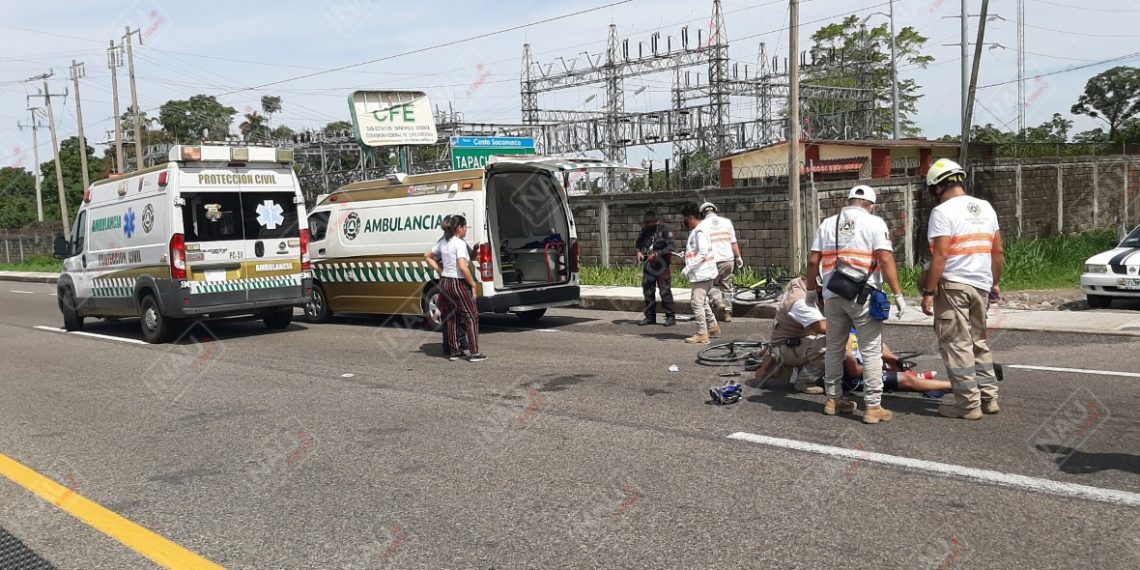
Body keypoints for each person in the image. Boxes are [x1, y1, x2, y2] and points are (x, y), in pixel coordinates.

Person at [805, 185, 906, 424]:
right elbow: (884, 258)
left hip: (833, 294)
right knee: (871, 349)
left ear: (848, 201)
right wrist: (898, 294)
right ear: (871, 205)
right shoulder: (875, 223)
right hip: (864, 295)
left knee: (834, 347)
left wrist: (811, 290)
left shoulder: (828, 223)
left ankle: (833, 399)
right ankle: (872, 406)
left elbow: (812, 260)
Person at [920, 158, 1005, 420]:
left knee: (957, 345)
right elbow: (998, 252)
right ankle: (989, 398)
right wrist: (993, 282)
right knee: (978, 342)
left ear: (936, 187)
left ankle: (968, 405)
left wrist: (929, 291)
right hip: (980, 285)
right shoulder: (986, 208)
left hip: (954, 286)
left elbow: (941, 256)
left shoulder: (943, 212)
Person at [424, 214, 486, 362]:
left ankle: (455, 351)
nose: (466, 230)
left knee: (452, 316)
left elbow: (427, 255)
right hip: (457, 282)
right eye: (465, 227)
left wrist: (440, 271)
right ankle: (474, 353)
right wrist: (473, 284)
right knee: (471, 316)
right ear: (459, 228)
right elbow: (463, 267)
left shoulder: (444, 242)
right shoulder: (459, 243)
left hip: (445, 282)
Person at [757, 277, 828, 395]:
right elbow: (821, 328)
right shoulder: (801, 302)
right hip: (787, 345)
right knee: (834, 344)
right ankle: (804, 381)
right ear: (819, 287)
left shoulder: (801, 283)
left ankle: (780, 368)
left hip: (792, 340)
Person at [840, 329, 951, 398]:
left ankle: (911, 376)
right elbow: (854, 371)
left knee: (881, 345)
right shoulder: (846, 335)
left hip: (868, 367)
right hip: (855, 380)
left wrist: (895, 359)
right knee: (906, 379)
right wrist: (879, 365)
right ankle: (954, 386)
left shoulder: (858, 328)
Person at [680, 202, 720, 344]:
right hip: (706, 272)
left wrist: (688, 267)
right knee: (703, 302)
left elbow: (702, 252)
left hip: (702, 274)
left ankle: (702, 334)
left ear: (691, 218)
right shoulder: (701, 229)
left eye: (685, 218)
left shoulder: (699, 231)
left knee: (696, 303)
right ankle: (713, 327)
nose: (684, 222)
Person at [699, 202, 743, 322]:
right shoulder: (727, 222)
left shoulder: (702, 225)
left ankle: (718, 302)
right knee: (727, 286)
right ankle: (727, 313)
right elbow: (733, 242)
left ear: (703, 214)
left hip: (712, 261)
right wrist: (738, 257)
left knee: (709, 286)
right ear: (715, 211)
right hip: (728, 260)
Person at [635, 210, 677, 327]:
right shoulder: (645, 230)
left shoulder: (665, 229)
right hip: (649, 264)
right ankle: (650, 317)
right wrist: (639, 252)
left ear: (657, 222)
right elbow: (638, 243)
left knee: (664, 290)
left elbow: (671, 247)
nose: (649, 227)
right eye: (647, 224)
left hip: (662, 265)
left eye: (652, 224)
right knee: (648, 291)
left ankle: (670, 317)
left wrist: (658, 254)